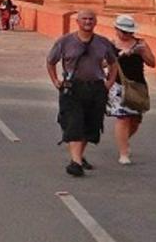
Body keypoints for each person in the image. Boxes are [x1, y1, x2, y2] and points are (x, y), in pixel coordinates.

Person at [46, 10, 120, 177]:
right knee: (74, 123)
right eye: (84, 19)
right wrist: (56, 81)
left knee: (90, 126)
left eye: (91, 19)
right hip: (73, 87)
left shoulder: (102, 43)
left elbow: (113, 63)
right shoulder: (65, 42)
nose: (87, 22)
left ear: (95, 22)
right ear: (77, 22)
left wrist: (109, 82)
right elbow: (50, 61)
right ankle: (76, 163)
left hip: (96, 88)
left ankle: (78, 156)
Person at [107, 15, 155, 165]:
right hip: (118, 84)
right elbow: (103, 63)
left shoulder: (141, 44)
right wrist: (120, 55)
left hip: (137, 84)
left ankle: (124, 140)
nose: (127, 35)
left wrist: (141, 53)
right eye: (124, 32)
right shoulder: (111, 45)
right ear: (117, 30)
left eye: (129, 32)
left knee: (135, 120)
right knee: (123, 117)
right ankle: (123, 153)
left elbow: (152, 63)